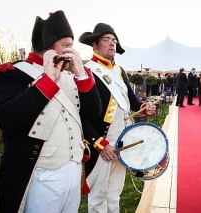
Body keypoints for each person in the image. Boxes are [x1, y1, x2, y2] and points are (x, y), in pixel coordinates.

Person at [0, 11, 102, 213]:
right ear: (47, 47)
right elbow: (8, 119)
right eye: (66, 45)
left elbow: (93, 112)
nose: (71, 50)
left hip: (72, 170)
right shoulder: (13, 73)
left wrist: (82, 75)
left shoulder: (70, 75)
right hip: (40, 174)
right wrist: (46, 81)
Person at [78, 23, 156, 213]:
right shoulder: (86, 71)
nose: (112, 43)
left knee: (114, 193)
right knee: (98, 196)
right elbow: (81, 115)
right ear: (94, 45)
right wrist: (99, 143)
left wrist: (143, 107)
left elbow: (131, 100)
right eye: (106, 40)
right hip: (101, 143)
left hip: (122, 141)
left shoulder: (119, 71)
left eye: (114, 40)